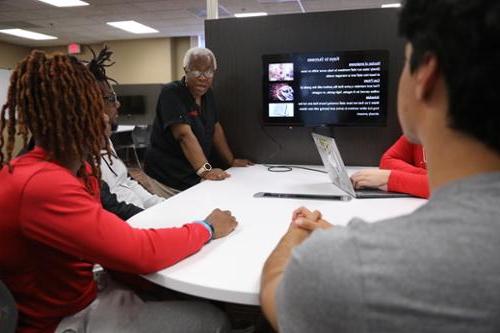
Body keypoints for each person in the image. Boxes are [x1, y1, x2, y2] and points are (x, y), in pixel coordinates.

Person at [260, 0, 500, 332]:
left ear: (424, 76)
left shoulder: (346, 269)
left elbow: (276, 296)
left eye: (404, 62)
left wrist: (297, 232)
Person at [0, 50, 238, 333]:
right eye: (99, 105)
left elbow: (111, 242)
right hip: (63, 320)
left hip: (90, 288)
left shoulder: (80, 171)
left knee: (184, 295)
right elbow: (136, 251)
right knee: (213, 321)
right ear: (80, 115)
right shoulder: (42, 184)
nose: (111, 114)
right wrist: (206, 228)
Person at [144, 47, 253, 191]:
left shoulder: (208, 95)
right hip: (166, 175)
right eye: (196, 71)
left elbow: (215, 128)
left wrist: (230, 160)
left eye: (208, 71)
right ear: (186, 70)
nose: (203, 77)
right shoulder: (171, 93)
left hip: (191, 172)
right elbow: (184, 135)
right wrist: (206, 170)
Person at [86, 46, 172, 208]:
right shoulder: (79, 157)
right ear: (92, 102)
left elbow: (125, 181)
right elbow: (111, 206)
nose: (118, 104)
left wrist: (161, 206)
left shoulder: (106, 139)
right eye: (111, 98)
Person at [350, 135, 429, 198]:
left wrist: (389, 178)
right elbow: (387, 161)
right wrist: (424, 177)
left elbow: (440, 187)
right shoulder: (419, 127)